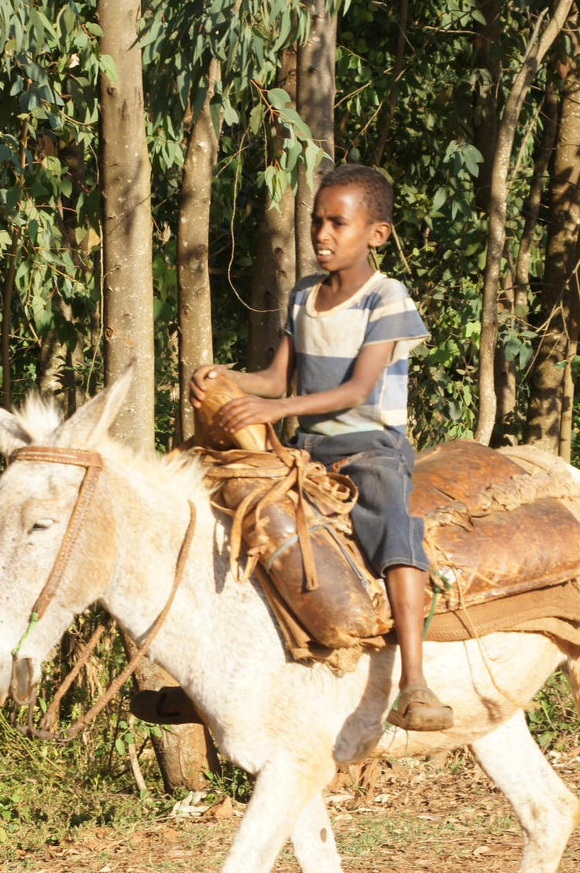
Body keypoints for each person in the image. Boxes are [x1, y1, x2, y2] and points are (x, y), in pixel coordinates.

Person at [132, 164, 452, 733]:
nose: (323, 235)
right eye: (317, 222)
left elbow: (358, 389)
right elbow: (277, 379)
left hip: (371, 446)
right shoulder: (304, 295)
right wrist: (226, 379)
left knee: (392, 527)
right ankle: (218, 677)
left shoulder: (387, 298)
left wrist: (273, 411)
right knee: (231, 518)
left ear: (376, 234)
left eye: (338, 223)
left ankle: (414, 681)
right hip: (307, 448)